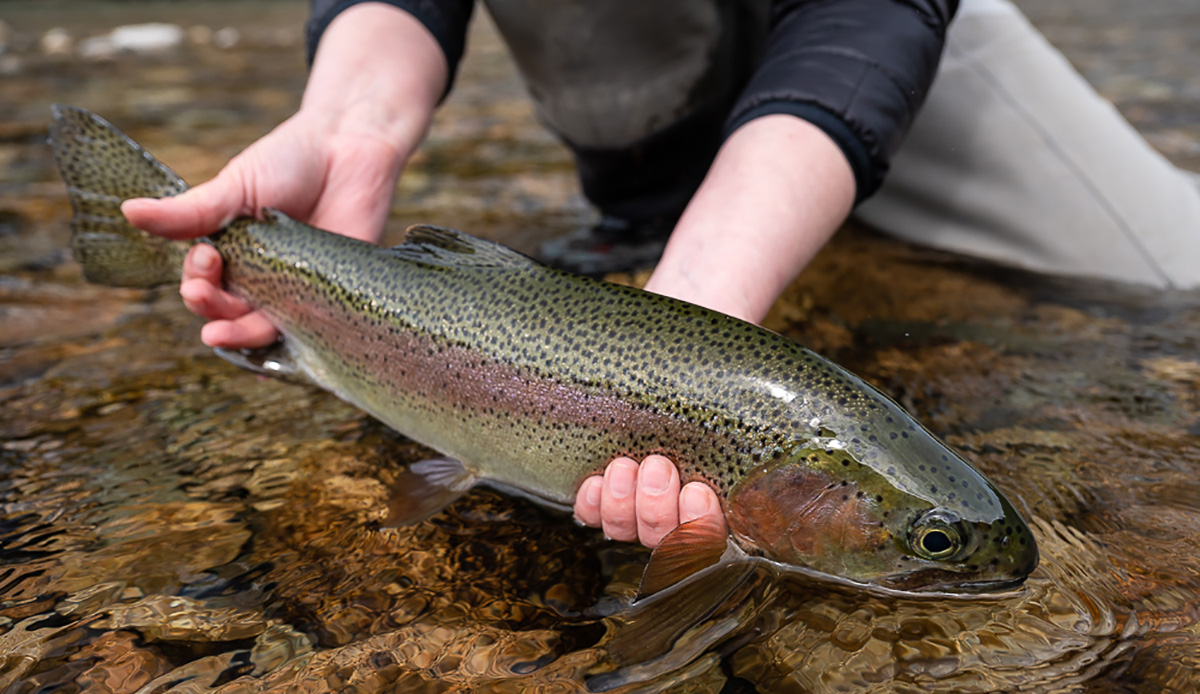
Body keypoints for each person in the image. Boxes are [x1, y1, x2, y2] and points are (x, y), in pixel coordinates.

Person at [122, 0, 1200, 549]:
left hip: (890, 58)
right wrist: (345, 127)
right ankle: (649, 203)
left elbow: (864, 14)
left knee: (1176, 279)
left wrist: (691, 322)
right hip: (647, 56)